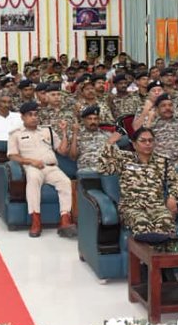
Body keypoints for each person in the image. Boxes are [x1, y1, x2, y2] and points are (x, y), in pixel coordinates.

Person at [7, 101, 76, 238]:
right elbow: (12, 156)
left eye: (36, 114)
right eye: (30, 115)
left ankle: (65, 220)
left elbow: (62, 151)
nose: (34, 117)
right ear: (22, 117)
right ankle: (35, 221)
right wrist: (30, 161)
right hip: (32, 167)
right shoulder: (15, 134)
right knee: (32, 180)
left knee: (65, 182)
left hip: (51, 167)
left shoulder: (47, 130)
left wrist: (63, 132)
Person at [95, 127, 178, 233]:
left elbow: (175, 181)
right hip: (132, 208)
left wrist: (172, 198)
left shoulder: (163, 161)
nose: (148, 143)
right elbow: (104, 168)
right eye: (143, 141)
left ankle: (162, 249)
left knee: (166, 224)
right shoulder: (123, 158)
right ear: (134, 144)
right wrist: (109, 143)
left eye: (150, 140)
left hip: (157, 207)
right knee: (142, 225)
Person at [134, 93, 178, 165]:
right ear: (157, 109)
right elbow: (143, 141)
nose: (167, 108)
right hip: (158, 161)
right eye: (163, 106)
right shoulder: (151, 122)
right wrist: (150, 120)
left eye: (170, 105)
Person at [69, 105, 117, 171]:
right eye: (89, 119)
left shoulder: (107, 135)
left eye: (95, 119)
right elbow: (73, 157)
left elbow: (116, 154)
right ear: (84, 120)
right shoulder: (78, 136)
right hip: (87, 168)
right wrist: (75, 134)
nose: (93, 122)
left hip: (106, 167)